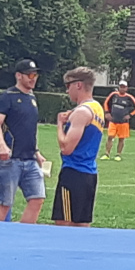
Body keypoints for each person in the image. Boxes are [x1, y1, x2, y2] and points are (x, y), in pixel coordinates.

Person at [0, 59, 47, 223]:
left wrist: (36, 151)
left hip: (30, 159)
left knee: (37, 198)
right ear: (19, 76)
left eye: (35, 75)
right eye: (30, 75)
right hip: (10, 159)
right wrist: (2, 145)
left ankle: (23, 232)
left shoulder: (32, 98)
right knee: (5, 203)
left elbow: (28, 128)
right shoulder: (7, 97)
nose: (33, 78)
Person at [52, 67, 105, 227]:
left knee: (64, 222)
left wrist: (59, 125)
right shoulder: (97, 108)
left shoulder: (81, 112)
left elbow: (66, 148)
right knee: (82, 223)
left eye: (68, 85)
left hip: (73, 172)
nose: (67, 90)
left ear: (79, 85)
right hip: (89, 173)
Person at [100, 80, 135, 161]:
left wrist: (130, 115)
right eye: (121, 87)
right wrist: (107, 112)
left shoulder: (129, 97)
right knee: (110, 136)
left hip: (123, 122)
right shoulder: (113, 95)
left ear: (126, 88)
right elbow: (106, 103)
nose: (122, 88)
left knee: (121, 138)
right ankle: (107, 154)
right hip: (113, 120)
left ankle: (118, 154)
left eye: (123, 87)